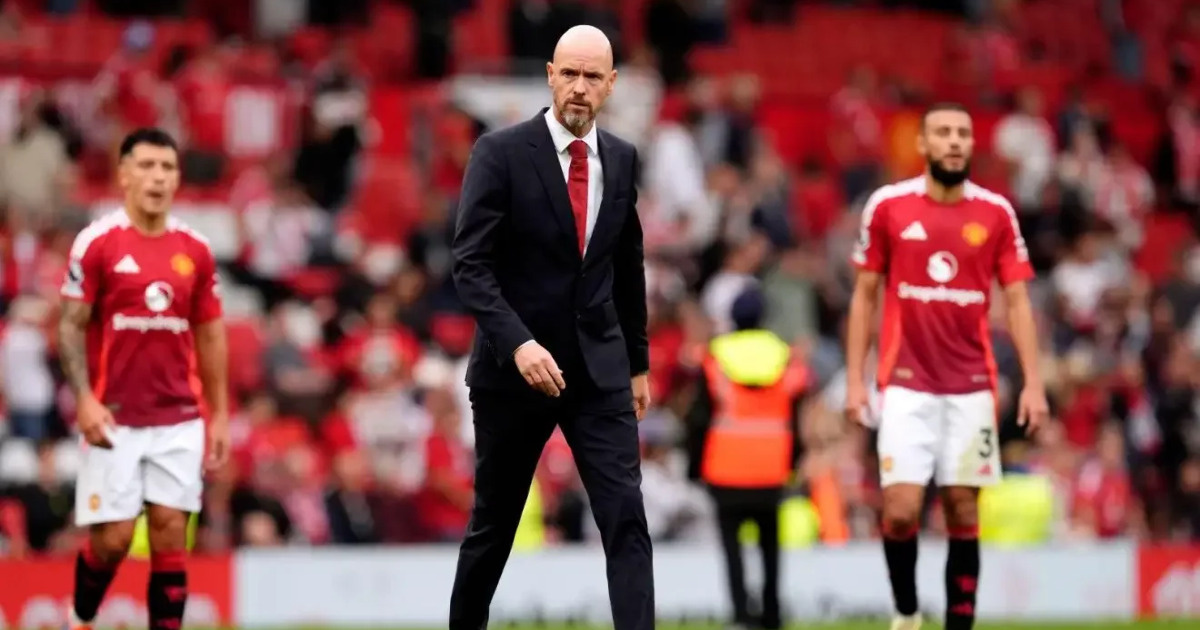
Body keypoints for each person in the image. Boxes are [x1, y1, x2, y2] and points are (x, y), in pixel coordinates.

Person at [449, 24, 654, 630]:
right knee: (494, 525)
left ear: (611, 84)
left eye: (592, 77)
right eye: (569, 74)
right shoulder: (500, 153)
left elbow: (627, 266)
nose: (579, 88)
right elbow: (470, 266)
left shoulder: (622, 158)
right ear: (549, 76)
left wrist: (638, 362)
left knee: (626, 519)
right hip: (514, 375)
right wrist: (519, 344)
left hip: (599, 373)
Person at [844, 103, 1050, 630]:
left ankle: (960, 623)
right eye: (943, 133)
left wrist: (1033, 383)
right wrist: (854, 381)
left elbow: (1018, 301)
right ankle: (907, 613)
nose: (954, 141)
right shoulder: (889, 206)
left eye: (962, 133)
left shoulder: (996, 213)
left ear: (972, 144)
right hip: (905, 384)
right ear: (923, 144)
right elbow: (865, 296)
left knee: (962, 507)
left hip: (971, 386)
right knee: (900, 510)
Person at [59, 128, 229, 630]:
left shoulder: (195, 249)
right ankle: (80, 617)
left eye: (167, 167)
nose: (158, 177)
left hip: (178, 417)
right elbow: (69, 326)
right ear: (124, 174)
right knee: (112, 540)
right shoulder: (97, 243)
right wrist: (84, 399)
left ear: (178, 179)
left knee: (170, 532)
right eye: (147, 165)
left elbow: (211, 334)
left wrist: (219, 414)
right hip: (113, 416)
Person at [685, 287, 808, 630]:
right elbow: (794, 418)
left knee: (732, 547)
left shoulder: (715, 356)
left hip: (725, 467)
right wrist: (793, 461)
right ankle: (772, 613)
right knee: (770, 546)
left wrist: (694, 466)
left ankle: (741, 614)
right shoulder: (783, 356)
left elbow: (699, 418)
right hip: (771, 466)